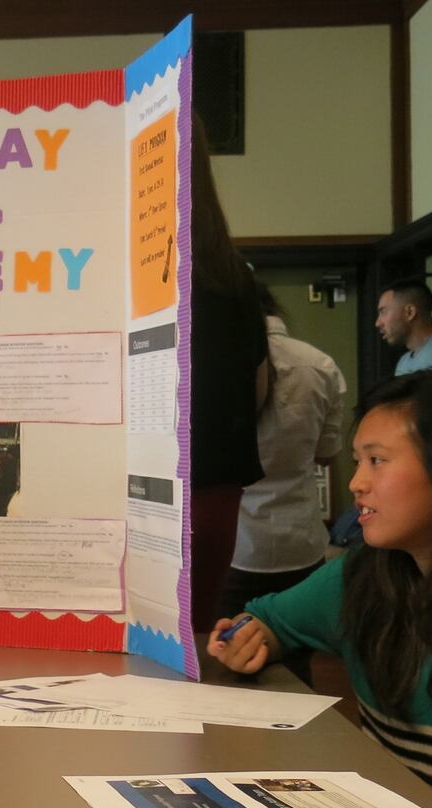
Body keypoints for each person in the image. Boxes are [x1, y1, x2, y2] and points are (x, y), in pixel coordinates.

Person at [208, 369, 432, 808]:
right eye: (357, 461)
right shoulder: (361, 580)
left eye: (377, 461)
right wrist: (249, 635)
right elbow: (267, 616)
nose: (356, 483)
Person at [222, 289, 347, 639]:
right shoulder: (322, 365)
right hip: (301, 540)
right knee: (294, 648)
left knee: (231, 649)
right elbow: (325, 454)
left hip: (238, 541)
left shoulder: (226, 362)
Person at [188, 111, 270, 632]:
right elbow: (258, 389)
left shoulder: (118, 266)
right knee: (188, 637)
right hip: (214, 487)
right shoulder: (234, 277)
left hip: (127, 487)